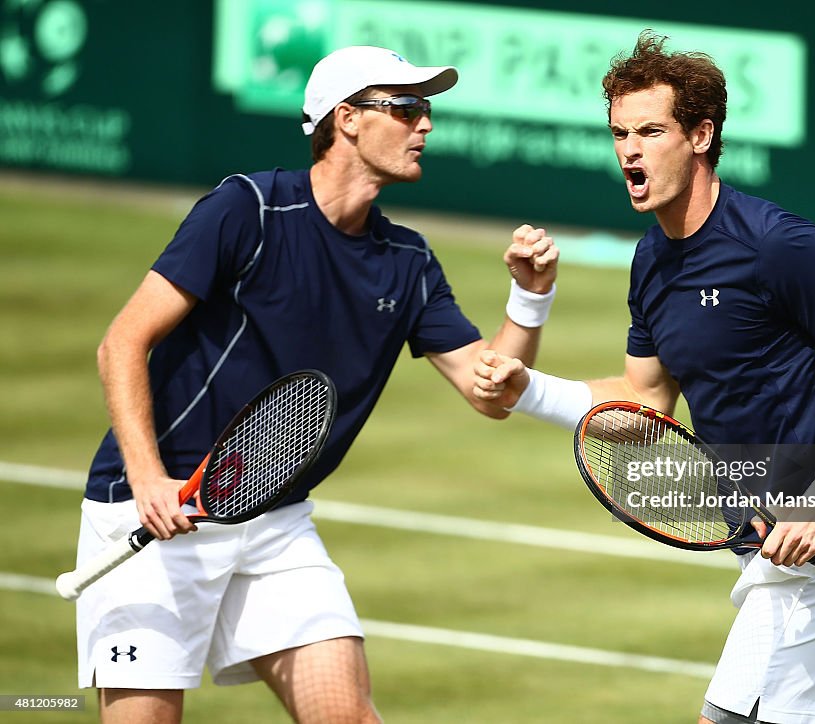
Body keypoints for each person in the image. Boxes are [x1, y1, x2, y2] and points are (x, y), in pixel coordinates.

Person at [72, 45, 559, 723]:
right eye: (407, 107)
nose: (426, 125)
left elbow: (492, 392)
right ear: (348, 119)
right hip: (157, 512)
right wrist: (149, 480)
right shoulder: (248, 209)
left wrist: (528, 300)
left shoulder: (410, 261)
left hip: (274, 520)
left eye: (427, 110)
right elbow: (122, 342)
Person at [473, 32, 815, 724]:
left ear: (702, 135)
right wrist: (527, 388)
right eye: (619, 132)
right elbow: (644, 402)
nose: (629, 150)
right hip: (772, 540)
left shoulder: (777, 246)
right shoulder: (651, 260)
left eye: (650, 130)